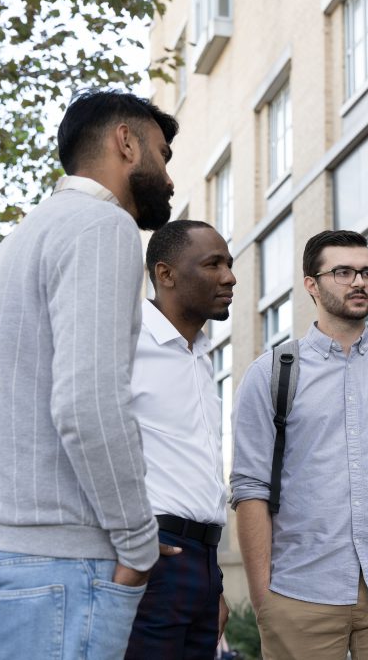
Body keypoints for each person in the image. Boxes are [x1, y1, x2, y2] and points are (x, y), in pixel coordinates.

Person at [0, 89, 178, 659]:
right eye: (163, 153)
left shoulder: (18, 243)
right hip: (61, 569)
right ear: (125, 142)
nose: (170, 178)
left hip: (8, 561)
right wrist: (139, 547)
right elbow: (89, 403)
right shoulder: (100, 227)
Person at [230, 230, 368, 660]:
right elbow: (249, 487)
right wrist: (264, 600)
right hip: (299, 594)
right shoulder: (272, 375)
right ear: (311, 284)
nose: (359, 282)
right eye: (344, 272)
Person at [125, 220, 236, 658]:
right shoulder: (125, 338)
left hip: (203, 562)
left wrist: (215, 582)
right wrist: (128, 542)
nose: (229, 277)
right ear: (165, 274)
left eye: (229, 264)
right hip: (152, 560)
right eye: (213, 264)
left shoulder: (203, 355)